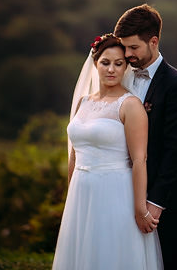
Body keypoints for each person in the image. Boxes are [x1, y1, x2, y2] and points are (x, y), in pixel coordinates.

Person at [52, 34, 163, 270]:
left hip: (115, 193)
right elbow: (74, 154)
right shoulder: (83, 102)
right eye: (105, 62)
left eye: (118, 63)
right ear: (95, 63)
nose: (111, 69)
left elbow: (139, 160)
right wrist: (70, 197)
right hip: (81, 194)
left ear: (126, 67)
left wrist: (140, 209)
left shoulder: (130, 105)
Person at [115, 4, 177, 270]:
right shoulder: (118, 76)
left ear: (153, 41)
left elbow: (175, 149)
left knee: (165, 263)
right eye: (124, 47)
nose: (127, 55)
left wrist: (155, 203)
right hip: (118, 189)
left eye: (133, 48)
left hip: (163, 197)